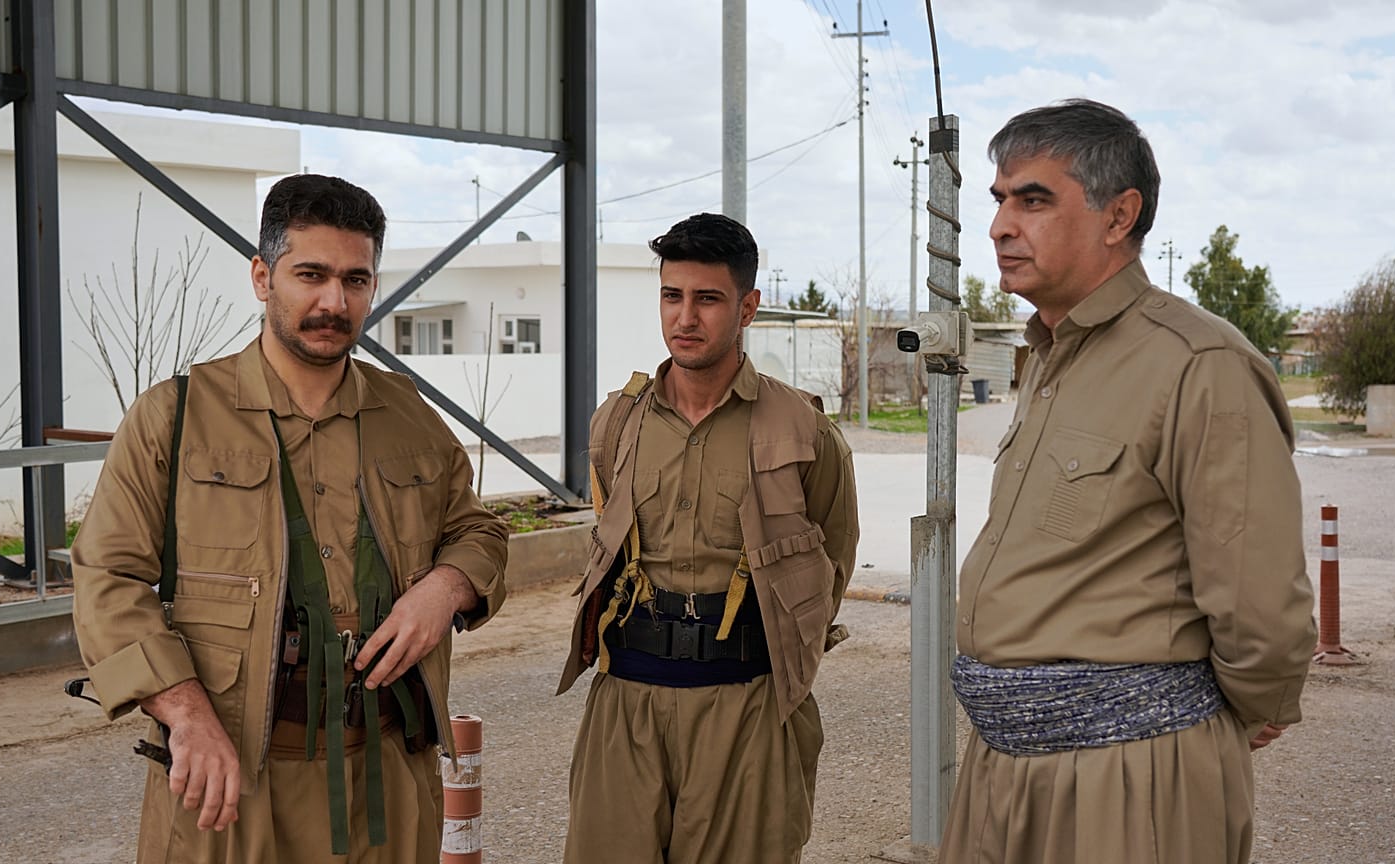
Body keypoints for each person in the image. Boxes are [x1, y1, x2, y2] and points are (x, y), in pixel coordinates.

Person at [71, 174, 509, 863]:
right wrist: (185, 716)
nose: (334, 302)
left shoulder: (407, 413)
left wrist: (446, 587)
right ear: (262, 276)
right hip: (233, 780)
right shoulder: (175, 416)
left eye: (355, 280)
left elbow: (478, 530)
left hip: (387, 775)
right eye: (311, 274)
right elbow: (108, 579)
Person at [939, 100, 1317, 864]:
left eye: (1033, 199)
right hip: (1006, 769)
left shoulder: (1197, 363)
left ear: (1120, 216)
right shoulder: (1048, 355)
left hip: (1127, 773)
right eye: (1000, 200)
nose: (1000, 226)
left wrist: (1251, 704)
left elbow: (1257, 595)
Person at [556, 213, 859, 863]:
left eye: (708, 299)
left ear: (747, 307)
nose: (685, 318)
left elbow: (835, 556)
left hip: (747, 706)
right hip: (627, 703)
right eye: (673, 296)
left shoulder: (803, 429)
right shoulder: (618, 421)